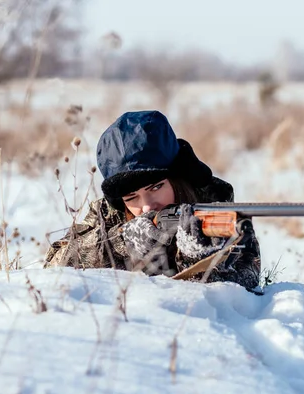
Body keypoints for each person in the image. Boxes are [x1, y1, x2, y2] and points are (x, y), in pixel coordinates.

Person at [44, 110, 261, 290]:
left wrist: (196, 258)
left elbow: (247, 282)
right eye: (132, 197)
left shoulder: (214, 206)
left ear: (177, 179)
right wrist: (122, 243)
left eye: (156, 187)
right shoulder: (109, 214)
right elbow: (53, 266)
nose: (147, 205)